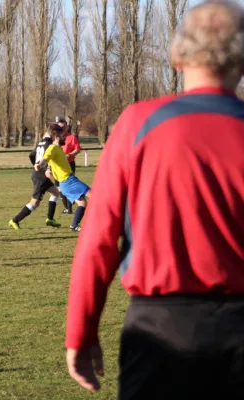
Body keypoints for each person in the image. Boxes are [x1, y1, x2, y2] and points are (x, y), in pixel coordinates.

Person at [65, 2, 244, 399]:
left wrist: (82, 329)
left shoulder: (137, 124)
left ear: (177, 56)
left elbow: (97, 239)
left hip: (158, 331)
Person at [37, 124, 90, 231]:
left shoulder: (58, 149)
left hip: (66, 182)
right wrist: (40, 164)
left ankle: (74, 225)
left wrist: (48, 169)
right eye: (63, 135)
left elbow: (51, 161)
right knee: (96, 197)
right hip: (68, 181)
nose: (65, 137)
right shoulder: (53, 148)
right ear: (56, 137)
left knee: (82, 203)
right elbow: (46, 156)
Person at [8, 130, 61, 230]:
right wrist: (45, 168)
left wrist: (36, 165)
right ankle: (15, 220)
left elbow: (31, 155)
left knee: (55, 193)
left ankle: (50, 219)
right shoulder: (50, 144)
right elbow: (51, 158)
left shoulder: (40, 143)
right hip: (41, 177)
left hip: (39, 174)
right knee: (34, 203)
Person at [57, 118, 81, 214]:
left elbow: (77, 149)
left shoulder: (71, 137)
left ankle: (69, 208)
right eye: (59, 127)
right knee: (59, 187)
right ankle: (67, 207)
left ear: (66, 127)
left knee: (68, 186)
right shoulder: (55, 138)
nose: (61, 129)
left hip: (69, 163)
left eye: (63, 127)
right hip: (58, 165)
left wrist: (70, 155)